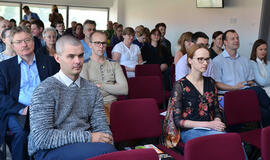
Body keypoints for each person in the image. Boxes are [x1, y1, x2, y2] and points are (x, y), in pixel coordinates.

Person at [28, 35, 116, 160]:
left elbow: (101, 126)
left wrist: (106, 140)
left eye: (80, 55)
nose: (78, 61)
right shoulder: (44, 90)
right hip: (50, 149)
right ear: (58, 58)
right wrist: (89, 137)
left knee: (110, 151)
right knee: (107, 153)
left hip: (85, 145)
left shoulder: (92, 89)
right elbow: (42, 138)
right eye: (71, 56)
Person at [0, 26, 59, 160]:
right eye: (19, 42)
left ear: (33, 41)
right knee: (21, 134)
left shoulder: (49, 62)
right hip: (18, 111)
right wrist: (21, 109)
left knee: (58, 129)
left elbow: (58, 88)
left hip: (47, 109)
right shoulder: (4, 67)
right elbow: (1, 96)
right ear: (12, 45)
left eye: (27, 40)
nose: (24, 44)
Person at [213, 29, 270, 127]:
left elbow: (250, 80)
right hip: (229, 95)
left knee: (265, 112)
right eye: (233, 39)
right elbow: (217, 83)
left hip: (245, 93)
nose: (236, 40)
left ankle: (264, 138)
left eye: (237, 38)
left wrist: (248, 83)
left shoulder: (244, 60)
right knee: (258, 90)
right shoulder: (217, 61)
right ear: (225, 42)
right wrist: (235, 87)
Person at [172, 44, 225, 144]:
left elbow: (217, 109)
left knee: (233, 141)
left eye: (207, 59)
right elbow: (178, 121)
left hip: (211, 129)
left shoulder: (210, 82)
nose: (205, 63)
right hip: (190, 131)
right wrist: (209, 125)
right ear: (190, 60)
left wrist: (217, 121)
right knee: (224, 141)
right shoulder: (180, 85)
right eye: (200, 59)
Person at [80, 31, 128, 124]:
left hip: (114, 106)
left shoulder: (114, 64)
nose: (101, 46)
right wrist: (114, 87)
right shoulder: (84, 65)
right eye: (97, 43)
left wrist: (100, 85)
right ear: (90, 44)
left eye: (103, 43)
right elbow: (86, 92)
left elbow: (124, 89)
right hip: (94, 107)